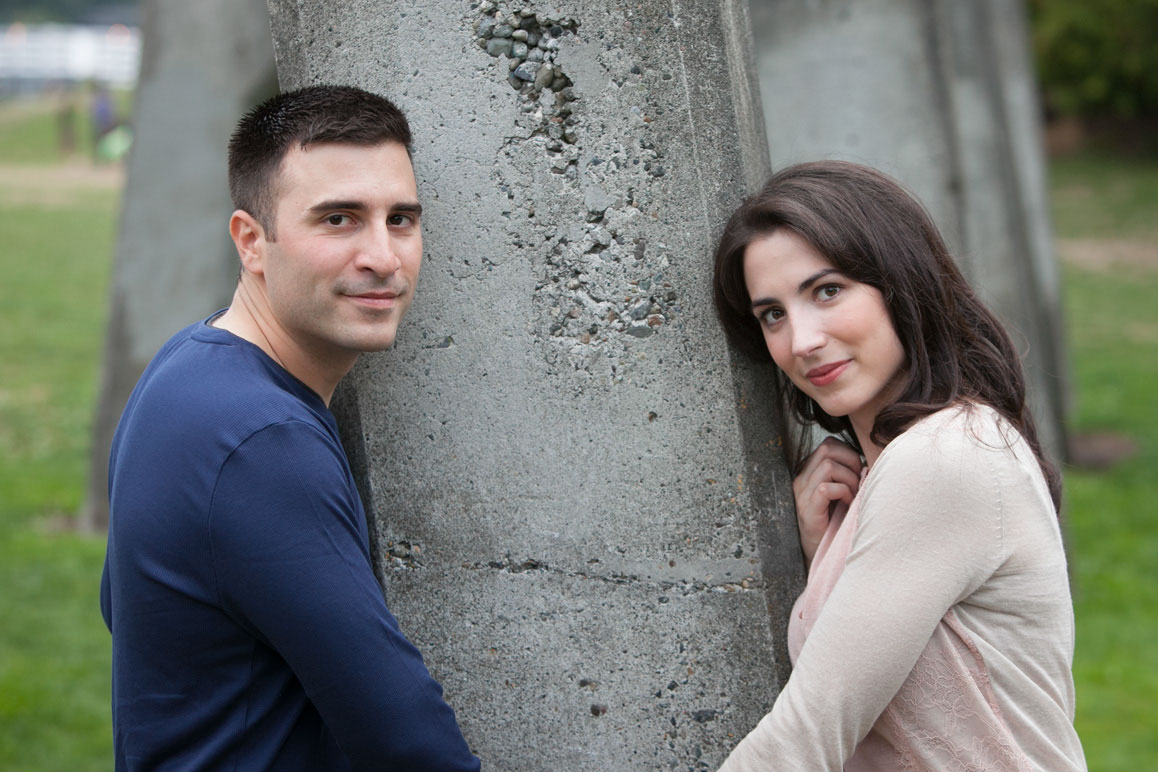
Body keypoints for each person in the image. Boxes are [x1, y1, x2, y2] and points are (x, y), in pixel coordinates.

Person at [100, 85, 480, 771]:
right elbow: (406, 741)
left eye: (400, 219)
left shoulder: (188, 367)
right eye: (338, 220)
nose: (383, 257)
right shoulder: (258, 439)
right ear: (252, 241)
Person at [710, 161, 1086, 771]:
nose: (801, 340)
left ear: (900, 283)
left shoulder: (946, 456)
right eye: (772, 314)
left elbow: (805, 738)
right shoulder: (888, 473)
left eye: (827, 290)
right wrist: (821, 554)